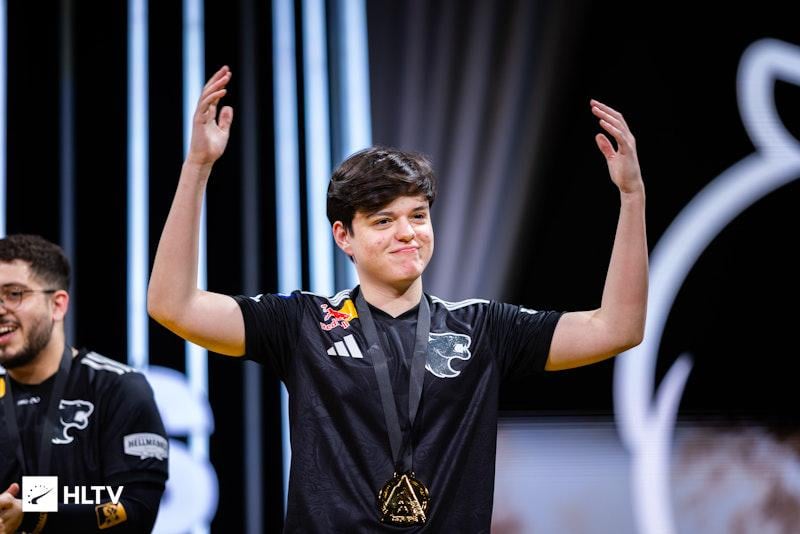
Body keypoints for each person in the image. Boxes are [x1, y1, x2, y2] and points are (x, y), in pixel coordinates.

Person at [148, 66, 647, 532]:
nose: (408, 233)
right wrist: (197, 167)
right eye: (384, 220)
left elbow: (617, 329)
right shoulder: (303, 323)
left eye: (418, 216)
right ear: (344, 236)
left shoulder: (483, 329)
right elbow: (173, 306)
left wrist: (631, 197)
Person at [0, 235, 168, 533]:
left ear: (57, 305)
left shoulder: (118, 388)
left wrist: (33, 515)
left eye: (14, 294)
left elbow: (135, 508)